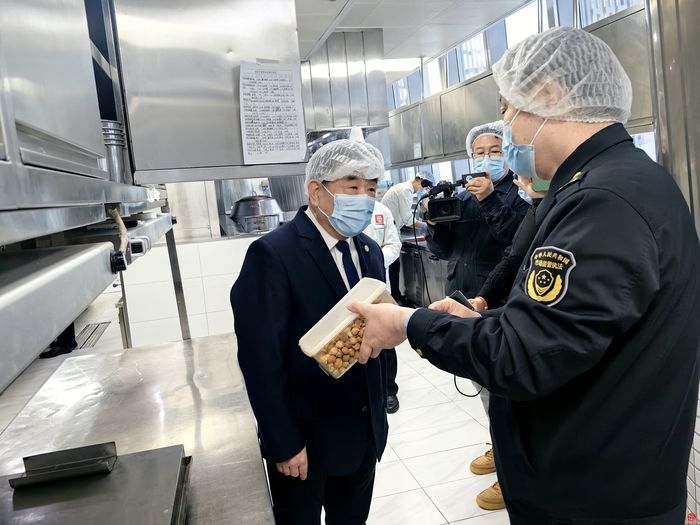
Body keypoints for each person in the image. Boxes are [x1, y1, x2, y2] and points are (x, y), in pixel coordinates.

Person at [349, 26, 700, 524]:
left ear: (550, 95)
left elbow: (522, 358)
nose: (507, 128)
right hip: (602, 482)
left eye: (510, 110)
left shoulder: (603, 202)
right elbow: (562, 331)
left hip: (595, 501)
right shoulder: (617, 180)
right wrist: (476, 321)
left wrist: (408, 324)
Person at [231, 140, 389, 525]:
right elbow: (260, 359)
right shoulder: (273, 254)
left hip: (363, 431)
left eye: (371, 188)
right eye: (352, 187)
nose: (365, 199)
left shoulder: (369, 251)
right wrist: (283, 442)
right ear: (316, 190)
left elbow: (377, 329)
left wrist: (387, 392)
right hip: (305, 441)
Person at [465, 175, 546, 511]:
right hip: (506, 309)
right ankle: (504, 456)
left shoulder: (570, 207)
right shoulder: (537, 209)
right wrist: (483, 299)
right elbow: (513, 257)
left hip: (538, 323)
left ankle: (519, 473)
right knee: (497, 398)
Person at [426, 121, 529, 298]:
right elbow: (443, 251)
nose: (486, 158)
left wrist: (489, 199)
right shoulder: (463, 198)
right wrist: (434, 224)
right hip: (456, 294)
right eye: (480, 153)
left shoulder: (522, 193)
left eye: (495, 152)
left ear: (508, 154)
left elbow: (518, 242)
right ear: (472, 157)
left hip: (496, 297)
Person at [363, 198, 403, 413]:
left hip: (379, 286)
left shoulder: (382, 211)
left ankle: (389, 390)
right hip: (348, 291)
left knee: (385, 340)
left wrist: (372, 259)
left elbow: (394, 245)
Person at [381, 175, 428, 302]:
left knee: (393, 267)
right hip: (388, 232)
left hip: (390, 230)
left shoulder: (402, 188)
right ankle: (394, 297)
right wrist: (426, 226)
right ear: (420, 182)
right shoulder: (405, 190)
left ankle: (395, 295)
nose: (423, 191)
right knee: (393, 266)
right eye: (424, 187)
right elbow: (408, 220)